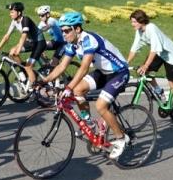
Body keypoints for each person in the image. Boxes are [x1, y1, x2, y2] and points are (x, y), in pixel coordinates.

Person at [36, 11, 133, 160]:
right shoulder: (72, 43)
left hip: (119, 73)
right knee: (77, 90)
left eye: (67, 30)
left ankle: (121, 139)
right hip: (103, 72)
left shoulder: (89, 40)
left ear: (77, 29)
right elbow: (61, 66)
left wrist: (67, 88)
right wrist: (43, 81)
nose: (64, 34)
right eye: (62, 31)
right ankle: (89, 122)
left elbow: (84, 67)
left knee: (101, 106)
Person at [125, 9, 173, 121]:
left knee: (172, 83)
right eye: (132, 22)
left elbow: (154, 50)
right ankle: (160, 93)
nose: (132, 24)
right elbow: (134, 48)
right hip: (160, 53)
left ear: (141, 21)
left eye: (134, 22)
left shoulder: (151, 28)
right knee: (146, 73)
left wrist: (145, 65)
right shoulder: (139, 31)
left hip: (171, 55)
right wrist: (125, 63)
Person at [0, 1, 41, 89]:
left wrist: (19, 48)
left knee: (27, 66)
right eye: (10, 12)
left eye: (12, 12)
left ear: (19, 13)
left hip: (39, 42)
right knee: (12, 52)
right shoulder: (14, 21)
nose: (10, 14)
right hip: (30, 42)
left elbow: (24, 36)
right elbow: (6, 36)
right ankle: (25, 73)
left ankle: (35, 89)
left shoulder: (25, 19)